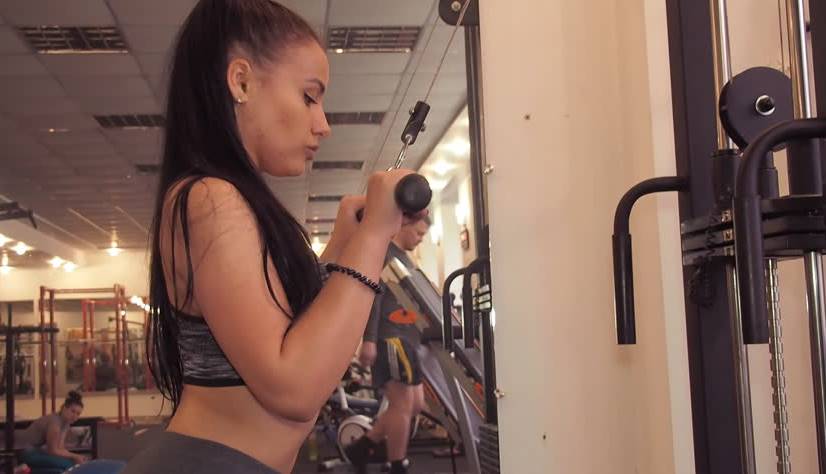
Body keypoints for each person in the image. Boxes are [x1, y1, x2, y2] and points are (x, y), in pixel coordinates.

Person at [123, 1, 423, 473]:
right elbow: (294, 390)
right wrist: (373, 239)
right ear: (241, 82)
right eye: (309, 97)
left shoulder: (227, 199)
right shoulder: (209, 199)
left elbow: (297, 337)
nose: (323, 124)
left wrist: (345, 246)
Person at [345, 217, 432, 474]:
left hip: (408, 339)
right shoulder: (385, 255)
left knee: (415, 405)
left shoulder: (404, 259)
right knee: (401, 405)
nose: (420, 239)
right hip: (390, 339)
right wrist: (370, 340)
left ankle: (363, 446)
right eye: (418, 233)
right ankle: (396, 464)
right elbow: (374, 299)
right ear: (403, 225)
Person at [18, 391, 88, 471]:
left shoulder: (66, 424)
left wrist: (76, 457)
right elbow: (53, 451)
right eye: (72, 411)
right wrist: (75, 456)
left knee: (70, 464)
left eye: (78, 414)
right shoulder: (55, 422)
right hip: (27, 452)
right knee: (68, 464)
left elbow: (60, 448)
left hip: (39, 451)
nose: (75, 416)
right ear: (64, 408)